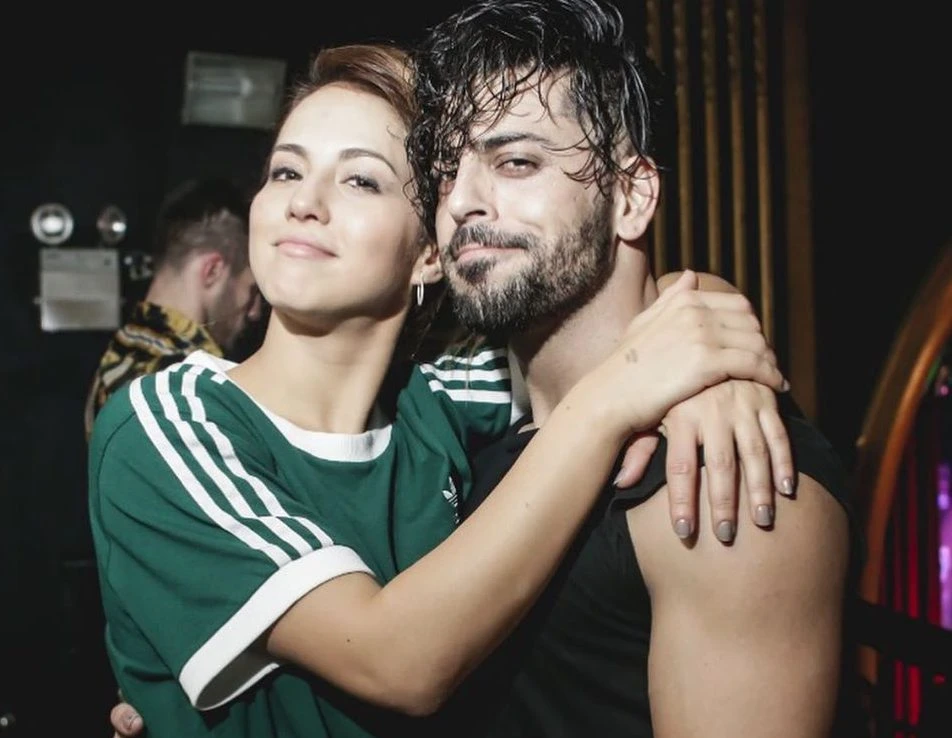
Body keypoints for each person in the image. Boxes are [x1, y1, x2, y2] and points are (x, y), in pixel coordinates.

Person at [92, 42, 791, 738]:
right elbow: (396, 664)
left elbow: (603, 338)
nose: (303, 203)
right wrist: (628, 388)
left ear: (431, 251)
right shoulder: (171, 420)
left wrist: (708, 352)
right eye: (286, 171)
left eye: (360, 180)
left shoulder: (436, 405)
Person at [400, 1, 856, 735]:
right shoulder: (471, 427)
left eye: (516, 162)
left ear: (632, 196)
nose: (461, 202)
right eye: (447, 170)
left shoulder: (724, 473)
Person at [83, 177, 263, 439]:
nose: (255, 311)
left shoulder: (119, 357)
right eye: (252, 290)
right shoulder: (186, 384)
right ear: (213, 271)